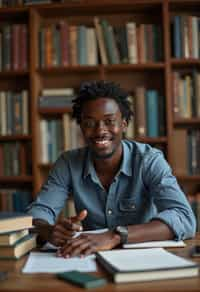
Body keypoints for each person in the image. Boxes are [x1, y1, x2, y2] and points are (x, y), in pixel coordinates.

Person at [27, 80, 196, 258]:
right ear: (81, 127)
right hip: (88, 257)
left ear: (124, 124)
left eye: (109, 121)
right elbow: (38, 213)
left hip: (144, 257)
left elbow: (184, 218)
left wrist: (116, 235)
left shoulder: (149, 160)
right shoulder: (68, 163)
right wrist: (48, 230)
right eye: (90, 123)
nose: (100, 131)